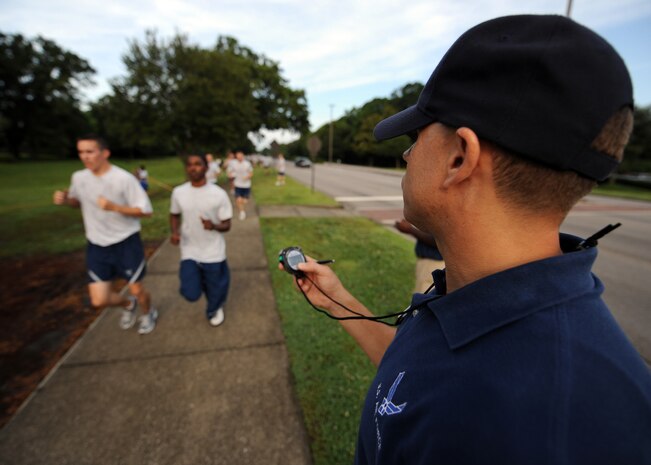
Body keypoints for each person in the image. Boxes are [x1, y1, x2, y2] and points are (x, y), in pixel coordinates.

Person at [281, 15, 651, 464]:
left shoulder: (547, 432)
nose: (406, 152)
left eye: (417, 135)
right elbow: (414, 384)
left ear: (459, 157)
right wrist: (340, 301)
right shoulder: (480, 291)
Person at [53, 134, 158, 334]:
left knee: (137, 288)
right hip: (97, 244)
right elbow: (77, 201)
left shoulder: (123, 179)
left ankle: (148, 312)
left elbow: (145, 211)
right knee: (99, 299)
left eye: (90, 152)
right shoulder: (79, 177)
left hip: (125, 241)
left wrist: (113, 207)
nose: (85, 157)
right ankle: (128, 305)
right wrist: (66, 200)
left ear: (105, 153)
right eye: (81, 152)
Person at [170, 154, 232, 326]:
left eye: (198, 164)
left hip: (213, 250)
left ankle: (214, 308)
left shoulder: (218, 194)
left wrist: (213, 225)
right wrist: (174, 232)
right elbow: (174, 214)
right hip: (189, 249)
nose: (193, 168)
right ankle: (206, 287)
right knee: (190, 292)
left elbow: (227, 225)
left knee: (217, 288)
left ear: (206, 167)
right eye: (189, 164)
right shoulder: (179, 192)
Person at [395, 218, 444, 292]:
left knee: (424, 296)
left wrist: (410, 229)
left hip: (432, 264)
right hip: (430, 264)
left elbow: (438, 240)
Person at [230, 150, 253, 220]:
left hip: (246, 185)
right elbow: (231, 172)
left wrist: (247, 177)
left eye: (240, 156)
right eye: (238, 157)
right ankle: (242, 212)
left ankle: (242, 208)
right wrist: (231, 175)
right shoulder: (234, 164)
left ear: (243, 156)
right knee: (238, 200)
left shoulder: (247, 164)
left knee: (244, 201)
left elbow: (251, 173)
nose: (239, 158)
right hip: (238, 185)